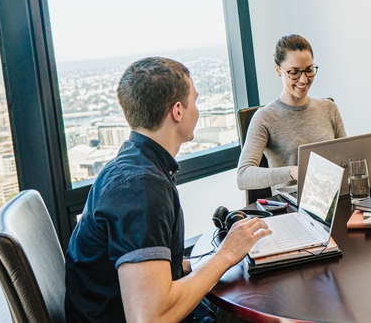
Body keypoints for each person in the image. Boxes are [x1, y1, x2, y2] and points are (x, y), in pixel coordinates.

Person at [65, 57, 271, 322]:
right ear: (177, 111)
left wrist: (201, 262)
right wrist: (226, 254)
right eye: (194, 101)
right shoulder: (142, 188)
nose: (197, 110)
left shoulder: (134, 164)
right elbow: (151, 317)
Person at [237, 34, 346, 191]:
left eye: (309, 70)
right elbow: (243, 177)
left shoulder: (329, 108)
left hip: (333, 197)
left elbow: (348, 158)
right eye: (294, 72)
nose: (303, 80)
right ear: (278, 70)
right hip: (292, 207)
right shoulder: (265, 118)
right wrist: (292, 172)